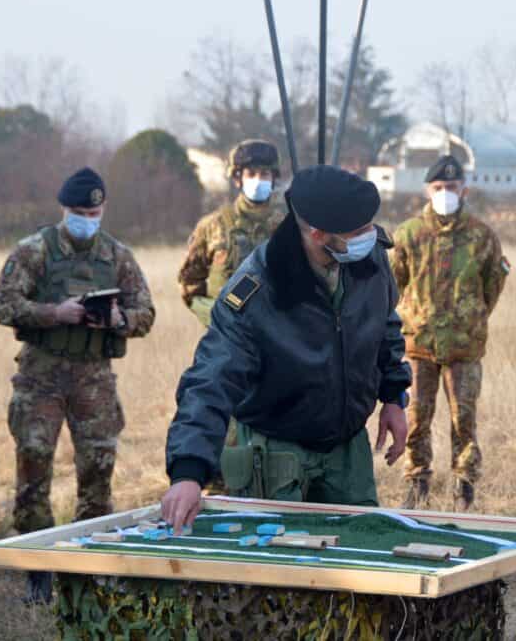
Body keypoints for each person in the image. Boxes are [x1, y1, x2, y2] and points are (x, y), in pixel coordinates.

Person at [161, 165, 412, 531]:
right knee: (279, 568)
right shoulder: (257, 287)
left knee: (361, 553)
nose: (369, 237)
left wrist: (393, 395)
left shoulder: (368, 258)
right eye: (358, 232)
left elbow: (383, 321)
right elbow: (212, 377)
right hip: (276, 450)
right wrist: (188, 471)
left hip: (346, 448)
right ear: (318, 233)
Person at [0, 167, 155, 603]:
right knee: (33, 467)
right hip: (41, 374)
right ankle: (38, 566)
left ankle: (88, 562)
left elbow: (146, 312)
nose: (88, 218)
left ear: (104, 210)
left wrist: (120, 319)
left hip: (94, 376)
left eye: (94, 211)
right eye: (80, 211)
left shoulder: (117, 256)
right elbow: (3, 303)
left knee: (98, 469)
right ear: (64, 209)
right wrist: (53, 313)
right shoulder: (35, 251)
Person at [389, 155, 510, 511]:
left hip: (464, 346)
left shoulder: (481, 235)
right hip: (419, 344)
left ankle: (465, 486)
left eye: (452, 188)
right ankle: (417, 483)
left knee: (465, 419)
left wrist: (471, 318)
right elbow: (394, 285)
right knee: (416, 418)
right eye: (439, 188)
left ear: (464, 190)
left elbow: (493, 286)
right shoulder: (409, 234)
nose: (445, 193)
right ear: (428, 190)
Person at [178, 139, 288, 326]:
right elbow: (189, 284)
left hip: (279, 337)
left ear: (273, 178)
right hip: (228, 340)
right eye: (251, 174)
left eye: (264, 174)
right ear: (238, 179)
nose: (258, 180)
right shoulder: (213, 226)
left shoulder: (290, 226)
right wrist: (218, 315)